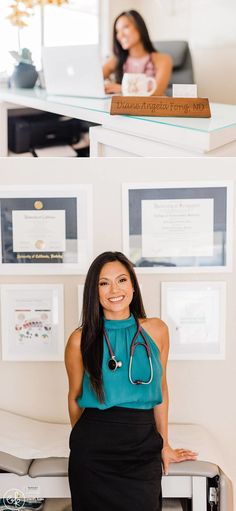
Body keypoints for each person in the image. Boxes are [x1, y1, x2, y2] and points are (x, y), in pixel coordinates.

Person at [65, 251, 197, 511]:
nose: (114, 289)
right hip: (93, 451)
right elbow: (74, 397)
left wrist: (164, 443)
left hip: (141, 445)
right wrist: (84, 441)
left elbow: (161, 390)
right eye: (104, 283)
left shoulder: (157, 330)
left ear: (133, 286)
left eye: (122, 280)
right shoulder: (80, 340)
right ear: (95, 291)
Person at [103, 10, 173, 96]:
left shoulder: (162, 59)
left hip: (152, 108)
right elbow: (93, 79)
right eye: (117, 31)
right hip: (124, 109)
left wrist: (123, 88)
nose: (120, 35)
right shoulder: (116, 60)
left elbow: (157, 93)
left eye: (125, 27)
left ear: (139, 27)